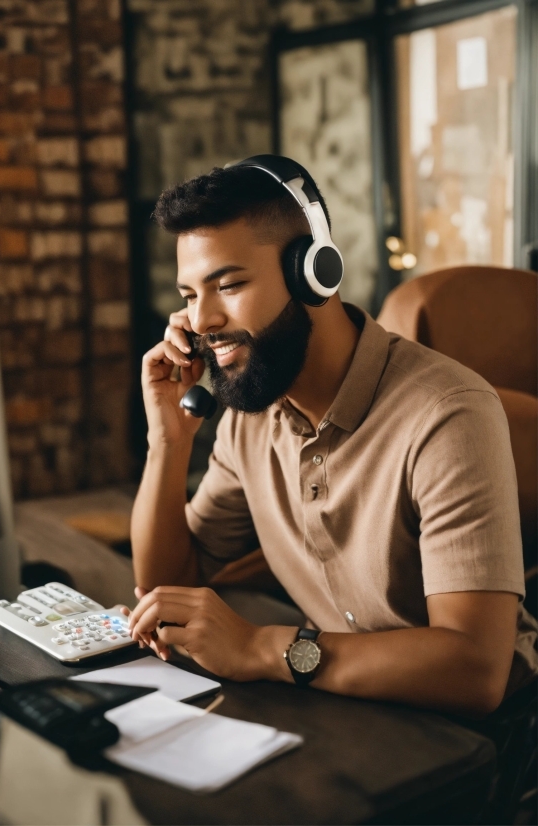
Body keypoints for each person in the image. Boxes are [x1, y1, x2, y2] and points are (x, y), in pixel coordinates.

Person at [126, 156, 537, 716]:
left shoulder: (447, 416)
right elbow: (167, 594)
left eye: (228, 284)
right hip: (347, 702)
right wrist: (168, 442)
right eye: (190, 294)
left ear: (313, 273)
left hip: (472, 736)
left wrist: (260, 647)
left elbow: (475, 670)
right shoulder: (252, 413)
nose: (200, 321)